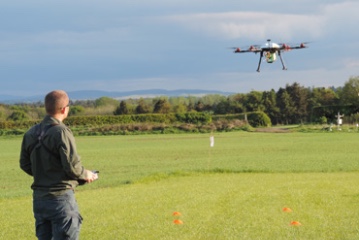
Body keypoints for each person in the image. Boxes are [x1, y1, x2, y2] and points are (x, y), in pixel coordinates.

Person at [20, 90, 98, 240]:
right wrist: (87, 174)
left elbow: (24, 164)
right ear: (64, 108)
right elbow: (72, 167)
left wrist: (46, 174)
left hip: (39, 200)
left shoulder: (30, 133)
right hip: (60, 200)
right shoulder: (61, 132)